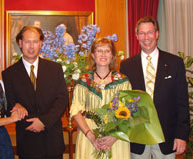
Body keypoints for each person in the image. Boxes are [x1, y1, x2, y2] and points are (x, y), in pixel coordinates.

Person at [120, 16, 190, 159]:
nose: (146, 37)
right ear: (137, 36)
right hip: (137, 137)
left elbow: (182, 102)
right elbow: (123, 103)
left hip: (166, 137)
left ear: (157, 34)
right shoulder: (126, 66)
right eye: (142, 33)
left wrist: (181, 135)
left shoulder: (175, 63)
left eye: (150, 32)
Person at [2, 26, 69, 159]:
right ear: (20, 43)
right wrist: (19, 108)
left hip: (52, 140)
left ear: (41, 44)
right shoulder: (9, 74)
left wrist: (44, 122)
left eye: (35, 41)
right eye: (27, 42)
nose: (31, 46)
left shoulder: (55, 69)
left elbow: (62, 100)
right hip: (28, 140)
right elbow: (9, 104)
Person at [70, 38, 131, 159]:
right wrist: (91, 136)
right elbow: (76, 110)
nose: (103, 54)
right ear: (93, 55)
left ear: (112, 55)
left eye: (107, 51)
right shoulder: (84, 81)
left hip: (116, 136)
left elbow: (129, 113)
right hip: (89, 135)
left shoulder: (123, 81)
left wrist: (114, 137)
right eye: (99, 50)